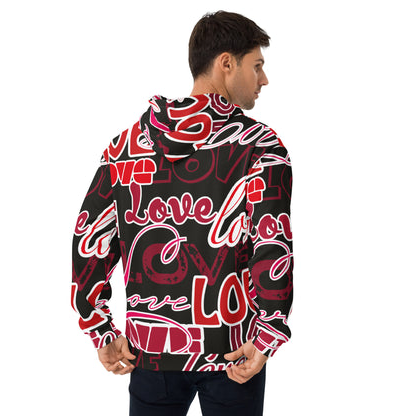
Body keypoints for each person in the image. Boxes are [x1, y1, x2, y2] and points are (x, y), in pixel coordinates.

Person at [72, 10, 293, 416]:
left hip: (151, 352)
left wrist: (100, 328)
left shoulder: (126, 147)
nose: (264, 79)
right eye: (257, 65)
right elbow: (272, 245)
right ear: (226, 63)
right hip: (234, 352)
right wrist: (267, 336)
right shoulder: (259, 147)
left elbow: (90, 241)